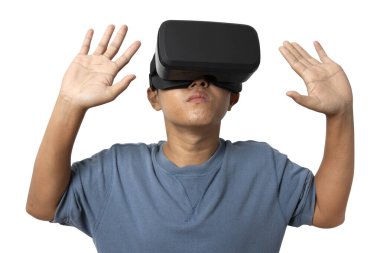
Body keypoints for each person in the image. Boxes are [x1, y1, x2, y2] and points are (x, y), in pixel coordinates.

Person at [26, 24, 354, 253]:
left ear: (232, 99)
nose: (198, 83)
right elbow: (43, 205)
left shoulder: (264, 166)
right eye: (182, 76)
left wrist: (340, 113)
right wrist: (69, 103)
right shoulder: (115, 170)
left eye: (213, 78)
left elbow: (327, 212)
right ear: (154, 97)